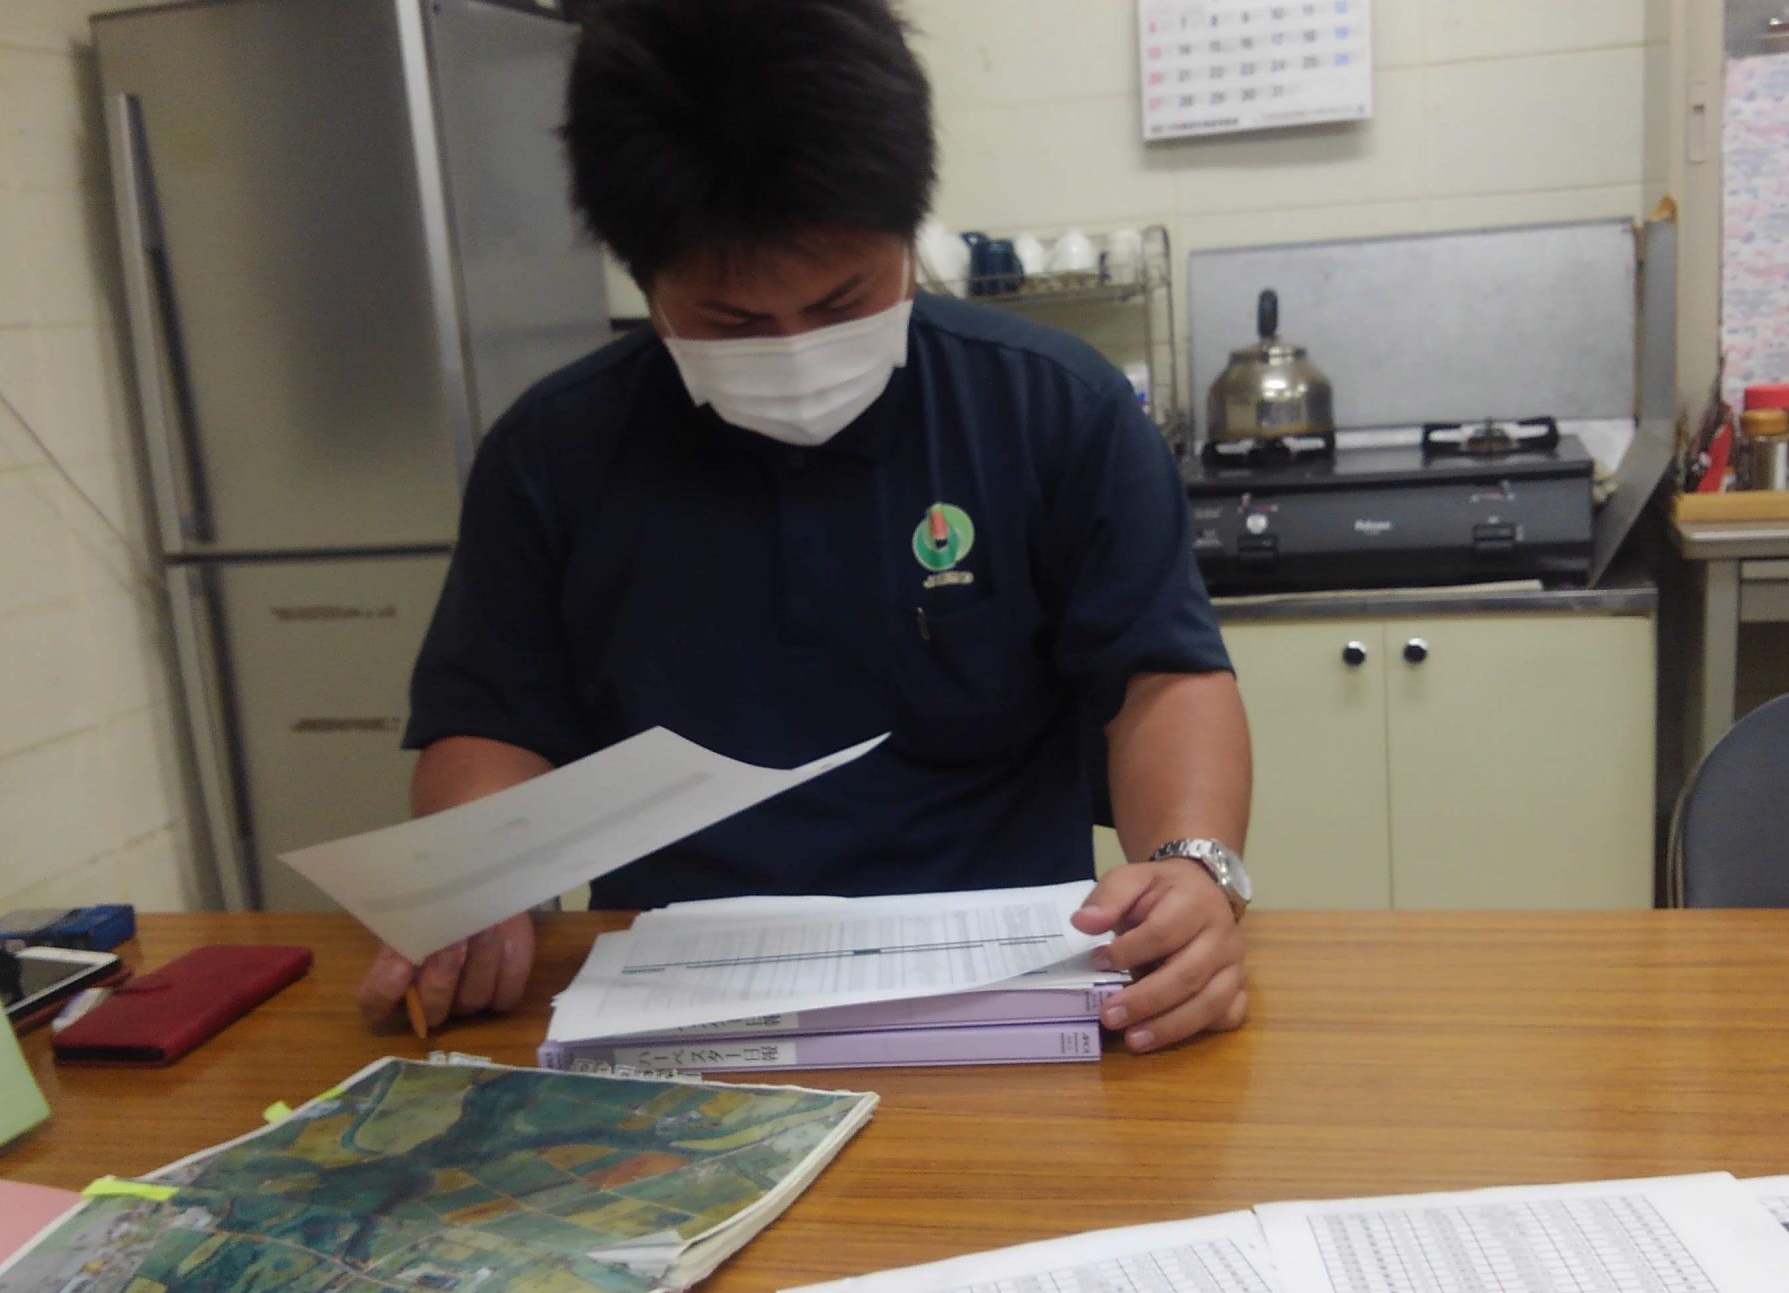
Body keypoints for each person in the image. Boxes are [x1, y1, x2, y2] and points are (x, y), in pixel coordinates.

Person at [355, 0, 1254, 1053]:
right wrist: (473, 889)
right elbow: (490, 721)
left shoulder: (1052, 409)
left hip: (1008, 986)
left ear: (908, 238)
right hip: (671, 1004)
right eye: (732, 321)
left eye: (841, 302)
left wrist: (1194, 867)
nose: (792, 348)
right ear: (644, 280)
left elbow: (1163, 678)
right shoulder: (554, 451)